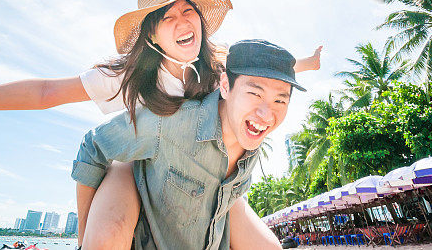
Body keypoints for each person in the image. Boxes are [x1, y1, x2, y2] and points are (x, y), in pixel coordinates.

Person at [0, 0, 322, 249]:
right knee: (106, 235)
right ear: (151, 34)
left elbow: (265, 77)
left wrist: (306, 64)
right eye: (166, 16)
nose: (182, 20)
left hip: (201, 173)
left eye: (188, 11)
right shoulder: (123, 77)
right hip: (133, 165)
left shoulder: (218, 62)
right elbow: (45, 92)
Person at [72, 39, 305, 249]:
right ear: (225, 86)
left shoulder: (252, 135)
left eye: (279, 100)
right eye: (255, 94)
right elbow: (94, 145)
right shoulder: (170, 124)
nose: (266, 114)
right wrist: (83, 238)